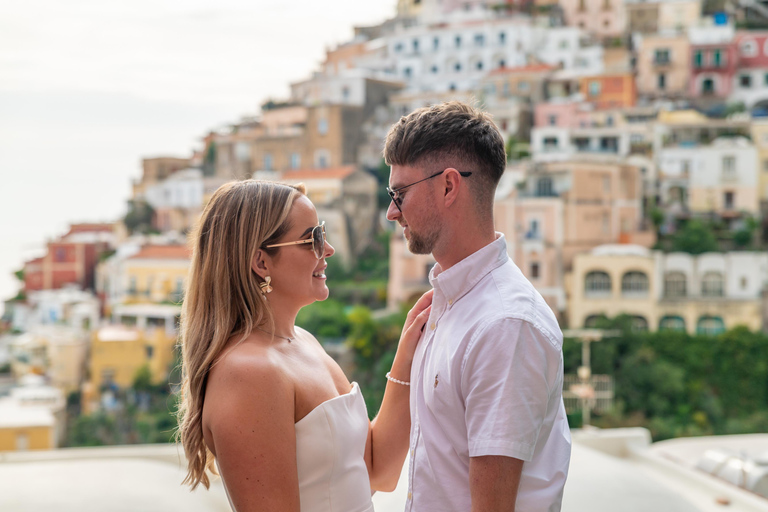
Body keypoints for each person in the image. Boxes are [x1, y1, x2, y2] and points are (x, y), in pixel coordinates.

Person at [176, 179, 432, 511]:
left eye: (322, 234)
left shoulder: (305, 343)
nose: (328, 250)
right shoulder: (247, 373)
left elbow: (378, 471)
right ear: (262, 263)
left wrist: (408, 352)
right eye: (312, 239)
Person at [383, 101, 571, 512]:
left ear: (449, 186)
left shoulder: (504, 324)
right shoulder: (450, 307)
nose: (391, 211)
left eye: (399, 193)